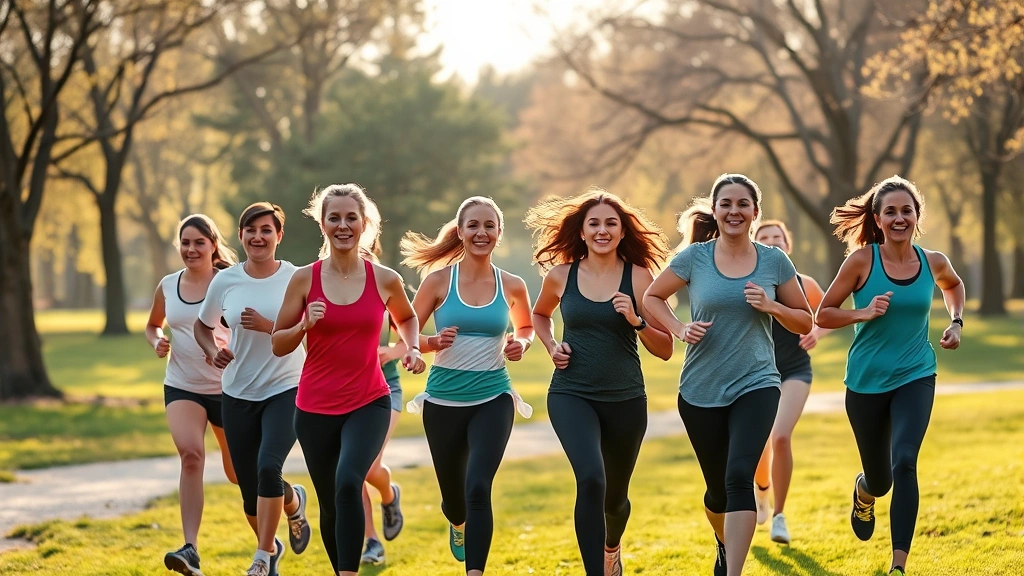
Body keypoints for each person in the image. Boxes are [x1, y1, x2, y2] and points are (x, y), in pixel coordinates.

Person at [643, 174, 813, 576]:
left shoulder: (774, 261)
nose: (734, 211)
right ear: (715, 211)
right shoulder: (694, 258)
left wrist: (773, 307)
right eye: (726, 204)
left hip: (757, 382)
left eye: (743, 204)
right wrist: (680, 328)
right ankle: (724, 545)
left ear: (755, 212)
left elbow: (805, 321)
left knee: (740, 475)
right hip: (699, 389)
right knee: (717, 491)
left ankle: (733, 571)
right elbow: (652, 296)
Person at [272, 184, 425, 576]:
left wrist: (411, 347)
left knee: (348, 482)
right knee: (329, 500)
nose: (343, 225)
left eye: (350, 217)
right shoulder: (304, 280)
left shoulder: (384, 278)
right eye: (334, 217)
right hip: (314, 407)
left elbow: (407, 318)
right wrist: (304, 323)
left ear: (364, 223)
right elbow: (277, 343)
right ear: (322, 224)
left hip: (368, 400)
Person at [816, 175, 965, 576]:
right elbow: (823, 313)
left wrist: (956, 322)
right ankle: (865, 493)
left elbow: (953, 285)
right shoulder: (862, 261)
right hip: (865, 382)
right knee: (881, 479)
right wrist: (861, 313)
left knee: (905, 461)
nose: (900, 218)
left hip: (917, 373)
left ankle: (898, 566)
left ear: (917, 216)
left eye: (907, 210)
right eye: (891, 212)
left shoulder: (933, 261)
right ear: (878, 219)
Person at [525, 189, 674, 576]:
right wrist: (552, 344)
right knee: (591, 477)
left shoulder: (640, 278)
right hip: (571, 392)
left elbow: (665, 349)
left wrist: (637, 320)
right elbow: (540, 314)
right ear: (582, 231)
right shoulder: (561, 276)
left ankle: (611, 547)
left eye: (611, 223)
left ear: (623, 232)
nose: (602, 230)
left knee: (615, 498)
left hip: (625, 398)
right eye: (594, 223)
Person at [400, 196, 534, 576]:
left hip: (494, 397)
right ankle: (457, 524)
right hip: (442, 401)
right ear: (460, 232)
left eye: (489, 226)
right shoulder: (439, 281)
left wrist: (520, 344)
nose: (481, 232)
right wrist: (426, 345)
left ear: (499, 234)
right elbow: (406, 329)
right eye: (473, 225)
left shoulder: (512, 284)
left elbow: (525, 327)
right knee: (455, 501)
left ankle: (475, 571)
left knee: (478, 487)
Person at [195, 202, 311, 576]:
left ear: (279, 236)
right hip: (237, 392)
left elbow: (311, 324)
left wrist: (271, 325)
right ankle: (293, 503)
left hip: (286, 386)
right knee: (249, 487)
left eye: (266, 230)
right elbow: (202, 326)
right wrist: (213, 351)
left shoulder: (296, 277)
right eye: (250, 230)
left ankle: (262, 557)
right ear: (241, 235)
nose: (257, 237)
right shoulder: (225, 280)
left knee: (267, 466)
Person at [148, 214, 239, 576]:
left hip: (229, 389)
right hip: (182, 384)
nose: (191, 249)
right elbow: (154, 324)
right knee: (191, 456)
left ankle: (285, 510)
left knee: (240, 475)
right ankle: (190, 548)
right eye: (185, 242)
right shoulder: (168, 285)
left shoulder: (229, 283)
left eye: (199, 242)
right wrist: (158, 341)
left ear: (213, 245)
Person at [750, 220, 831, 544]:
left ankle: (779, 517)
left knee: (780, 437)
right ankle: (762, 491)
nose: (772, 243)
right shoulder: (747, 283)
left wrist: (815, 333)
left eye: (777, 238)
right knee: (758, 443)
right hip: (757, 373)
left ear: (788, 244)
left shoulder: (803, 283)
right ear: (755, 245)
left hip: (796, 370)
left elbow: (828, 313)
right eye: (765, 238)